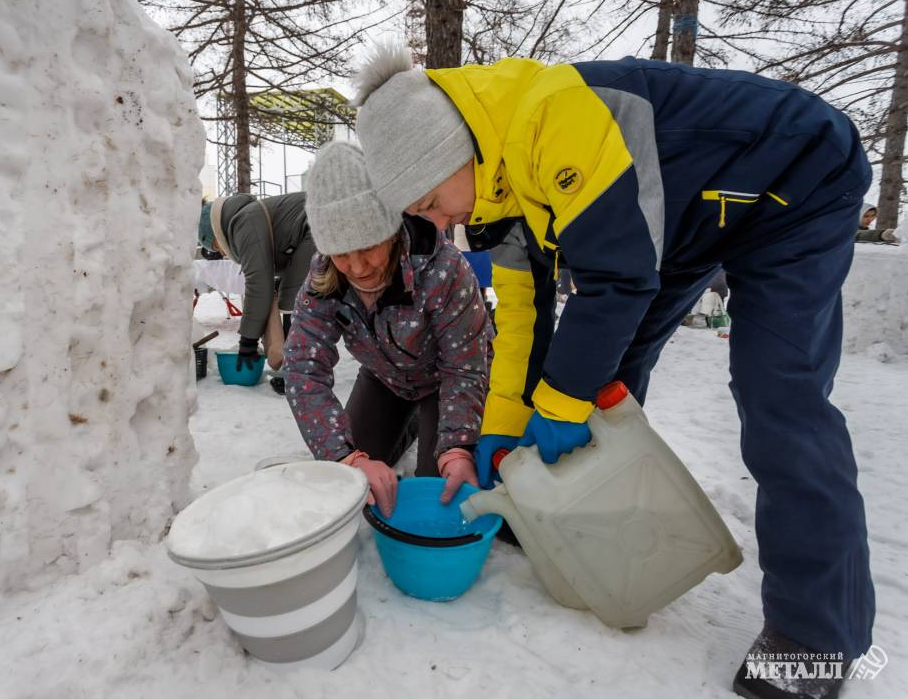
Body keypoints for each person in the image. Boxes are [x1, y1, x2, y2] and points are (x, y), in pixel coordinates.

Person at [352, 43, 873, 698]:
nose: (437, 221)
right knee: (602, 379)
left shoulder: (551, 115)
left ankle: (815, 636)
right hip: (682, 220)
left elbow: (616, 281)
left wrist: (561, 404)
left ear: (453, 150)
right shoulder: (488, 194)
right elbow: (520, 323)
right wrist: (502, 432)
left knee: (778, 395)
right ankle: (586, 528)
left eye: (430, 200)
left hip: (790, 179)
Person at [282, 140, 492, 516]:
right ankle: (407, 424)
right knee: (345, 476)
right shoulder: (324, 277)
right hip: (384, 379)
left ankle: (428, 428)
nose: (359, 266)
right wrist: (346, 456)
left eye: (369, 247)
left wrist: (457, 445)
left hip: (444, 381)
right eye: (342, 252)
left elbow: (466, 366)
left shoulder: (444, 268)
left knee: (439, 487)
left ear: (392, 231)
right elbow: (302, 367)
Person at [198, 192, 316, 394]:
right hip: (312, 226)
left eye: (216, 246)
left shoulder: (242, 222)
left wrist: (248, 340)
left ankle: (298, 371)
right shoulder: (244, 218)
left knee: (295, 300)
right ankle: (296, 368)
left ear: (217, 233)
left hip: (315, 225)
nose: (223, 252)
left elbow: (258, 283)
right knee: (292, 297)